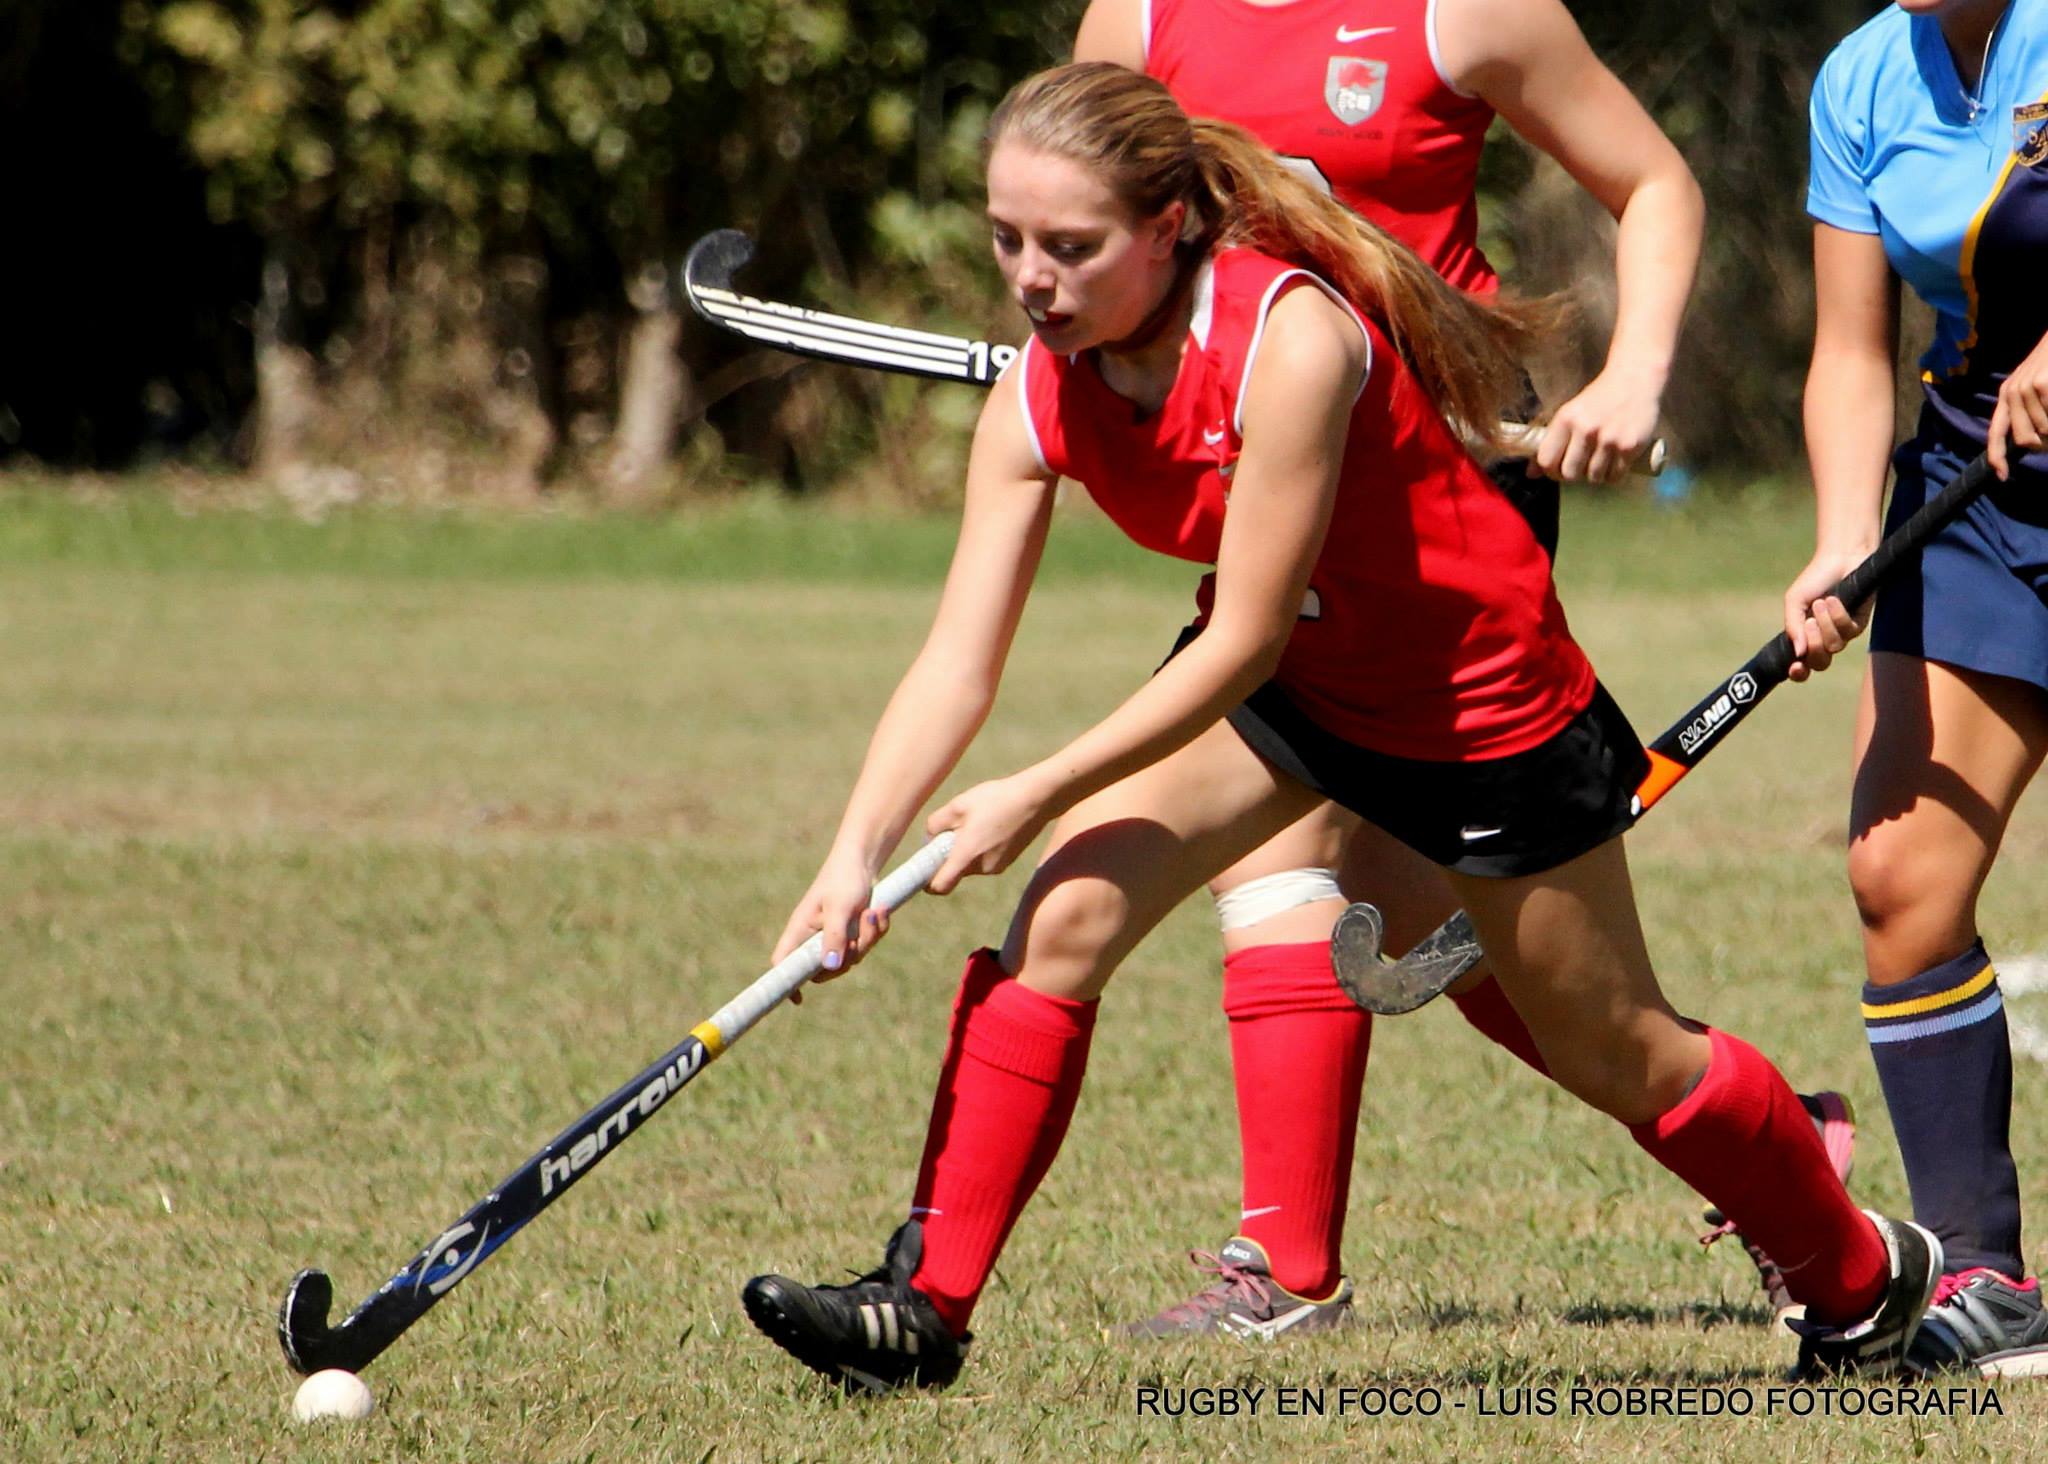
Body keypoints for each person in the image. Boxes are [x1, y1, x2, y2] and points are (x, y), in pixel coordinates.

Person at [739, 62, 1937, 1394]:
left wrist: (1036, 787)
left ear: (1170, 225)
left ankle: (1861, 1280)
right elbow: (958, 661)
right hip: (1303, 692)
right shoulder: (1042, 394)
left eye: (1071, 248)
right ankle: (924, 1309)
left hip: (1476, 704)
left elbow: (1241, 631)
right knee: (1065, 914)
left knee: (1622, 1051)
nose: (1032, 279)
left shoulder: (1290, 338)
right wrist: (854, 853)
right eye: (1007, 241)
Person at [1068, 0, 1849, 1333]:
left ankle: (1290, 1264)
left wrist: (1635, 376)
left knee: (1308, 862)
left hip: (1448, 487)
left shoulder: (1467, 9)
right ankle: (1772, 1150)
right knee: (1395, 901)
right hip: (1277, 479)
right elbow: (1078, 209)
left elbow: (1652, 179)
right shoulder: (1140, 11)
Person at [1781, 0, 2048, 1377]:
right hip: (1983, 486)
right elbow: (1850, 344)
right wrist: (1843, 543)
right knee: (1902, 878)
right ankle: (1987, 1275)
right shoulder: (1865, 75)